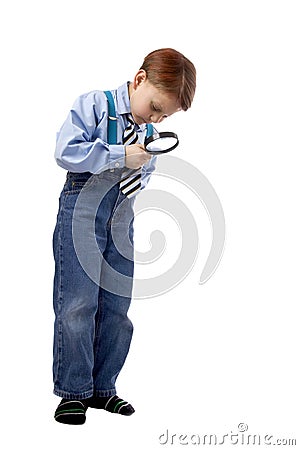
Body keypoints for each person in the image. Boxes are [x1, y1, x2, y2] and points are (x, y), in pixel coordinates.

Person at [52, 48, 196, 425]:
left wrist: (141, 167)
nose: (156, 117)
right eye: (155, 107)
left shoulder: (148, 130)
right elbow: (65, 151)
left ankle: (104, 387)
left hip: (122, 215)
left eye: (165, 115)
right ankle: (73, 391)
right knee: (77, 305)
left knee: (117, 307)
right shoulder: (95, 105)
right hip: (82, 205)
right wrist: (119, 156)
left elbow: (143, 173)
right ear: (139, 80)